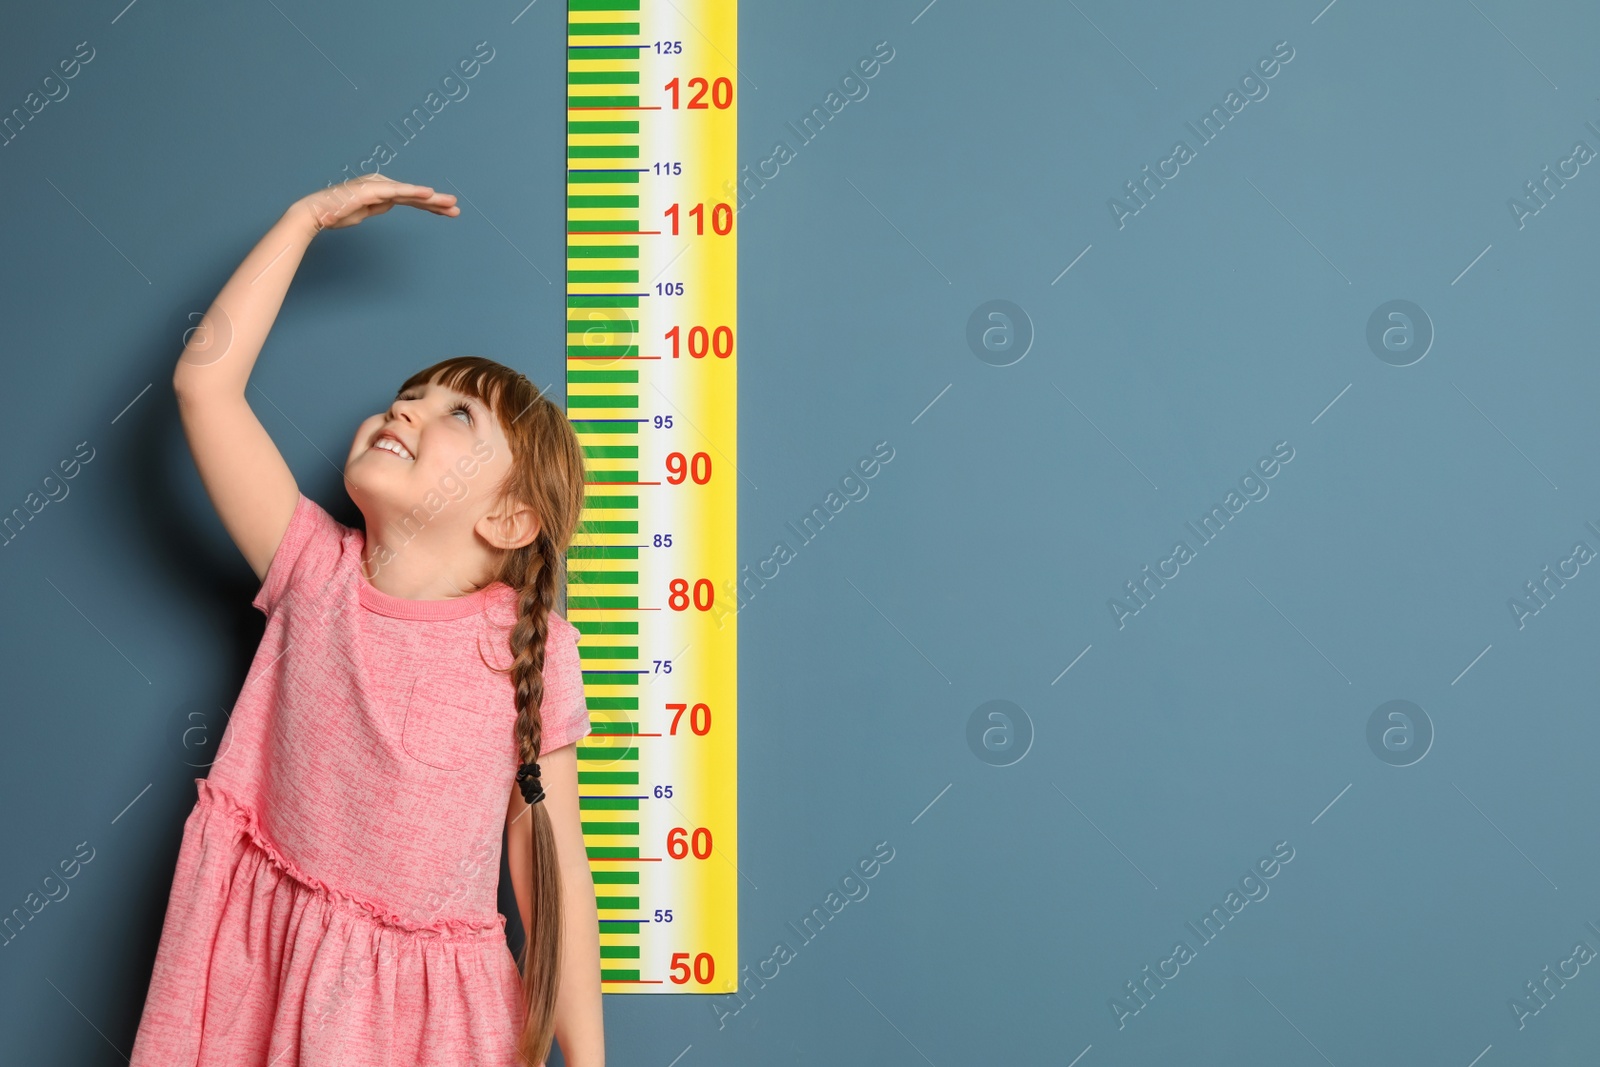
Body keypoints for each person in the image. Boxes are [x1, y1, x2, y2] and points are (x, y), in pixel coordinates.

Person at [129, 174, 605, 1066]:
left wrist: (588, 1058)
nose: (407, 408)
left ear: (507, 520)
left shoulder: (528, 651)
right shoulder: (312, 567)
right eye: (409, 395)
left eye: (456, 412)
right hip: (256, 988)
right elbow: (206, 386)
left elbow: (553, 871)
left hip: (432, 1026)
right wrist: (303, 220)